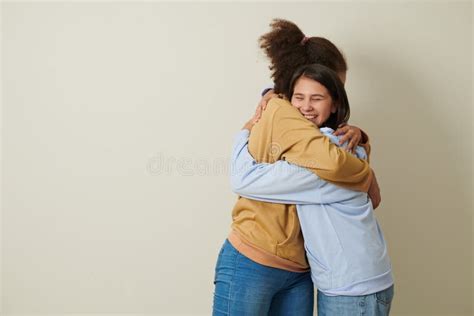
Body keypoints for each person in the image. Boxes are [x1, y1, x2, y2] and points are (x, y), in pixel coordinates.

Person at [212, 19, 380, 315]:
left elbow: (328, 150)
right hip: (254, 259)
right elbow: (333, 162)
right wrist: (364, 174)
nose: (310, 104)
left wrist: (360, 137)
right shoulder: (283, 111)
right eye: (338, 84)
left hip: (299, 268)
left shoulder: (301, 117)